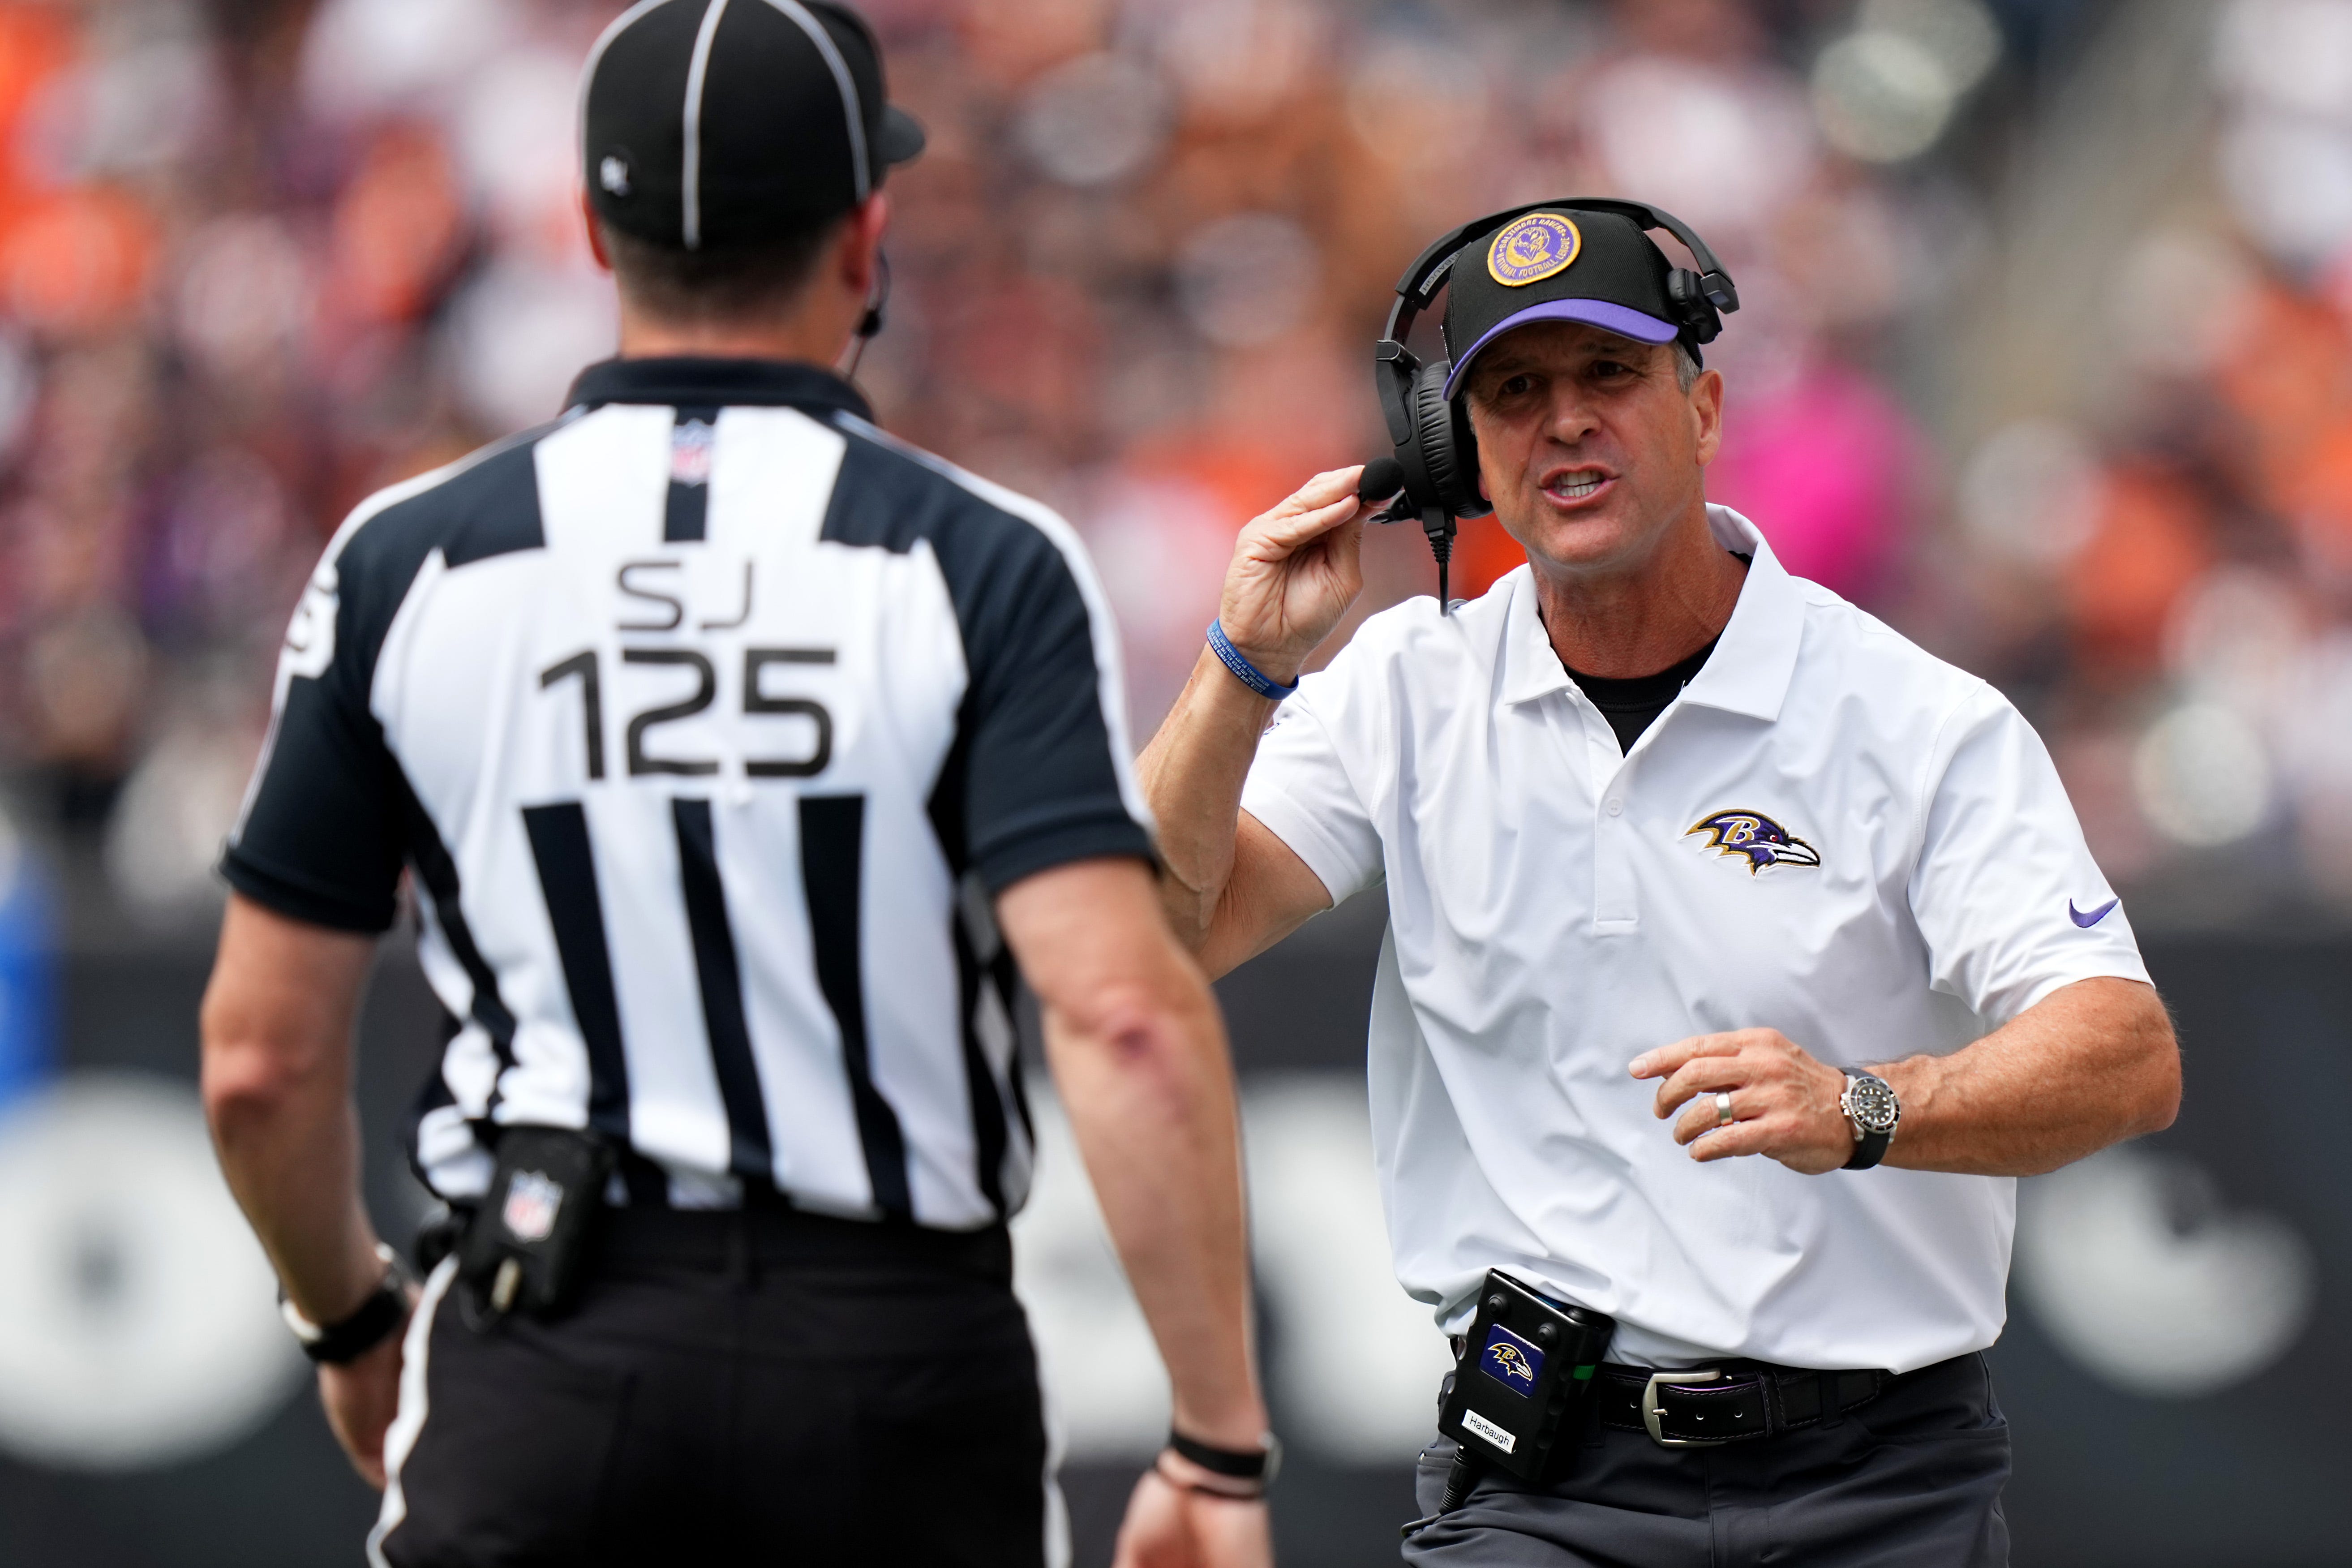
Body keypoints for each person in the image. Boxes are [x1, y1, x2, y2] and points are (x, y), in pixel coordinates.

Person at [198, 4, 1273, 1564]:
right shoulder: (975, 557)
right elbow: (1117, 1014)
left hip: (542, 1339)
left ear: (590, 229)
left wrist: (347, 1321)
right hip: (893, 1366)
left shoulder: (411, 559)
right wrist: (1214, 1446)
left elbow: (255, 1060)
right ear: (864, 234)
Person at [1137, 202, 2180, 1564]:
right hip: (1540, 1489)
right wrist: (1237, 666)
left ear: (1701, 409)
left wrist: (1861, 1105)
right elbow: (1153, 945)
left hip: (1877, 1484)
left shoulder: (1914, 717)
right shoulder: (1401, 688)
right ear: (1460, 450)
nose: (1563, 421)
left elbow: (2125, 1053)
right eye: (1513, 391)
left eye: (1607, 376)